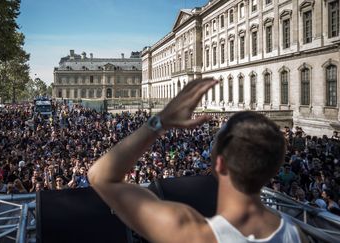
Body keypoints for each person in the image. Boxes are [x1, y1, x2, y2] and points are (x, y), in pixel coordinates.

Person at [88, 78, 306, 243]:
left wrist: (159, 122)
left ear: (219, 164)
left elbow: (101, 177)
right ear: (274, 168)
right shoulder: (297, 234)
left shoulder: (192, 233)